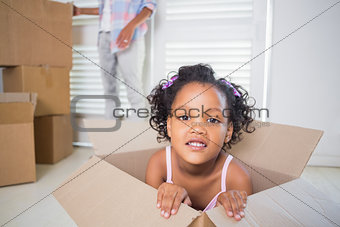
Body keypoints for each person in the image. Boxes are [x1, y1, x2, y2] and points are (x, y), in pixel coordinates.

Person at [145, 64, 255, 221]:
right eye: (184, 117)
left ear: (228, 132)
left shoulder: (237, 178)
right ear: (169, 126)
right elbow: (149, 220)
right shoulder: (159, 165)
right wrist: (166, 198)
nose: (197, 129)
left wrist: (230, 209)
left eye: (212, 119)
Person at [73, 0, 156, 119]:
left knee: (133, 84)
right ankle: (111, 123)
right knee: (109, 86)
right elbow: (106, 10)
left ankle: (138, 127)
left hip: (127, 34)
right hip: (104, 35)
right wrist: (80, 11)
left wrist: (131, 26)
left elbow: (149, 6)